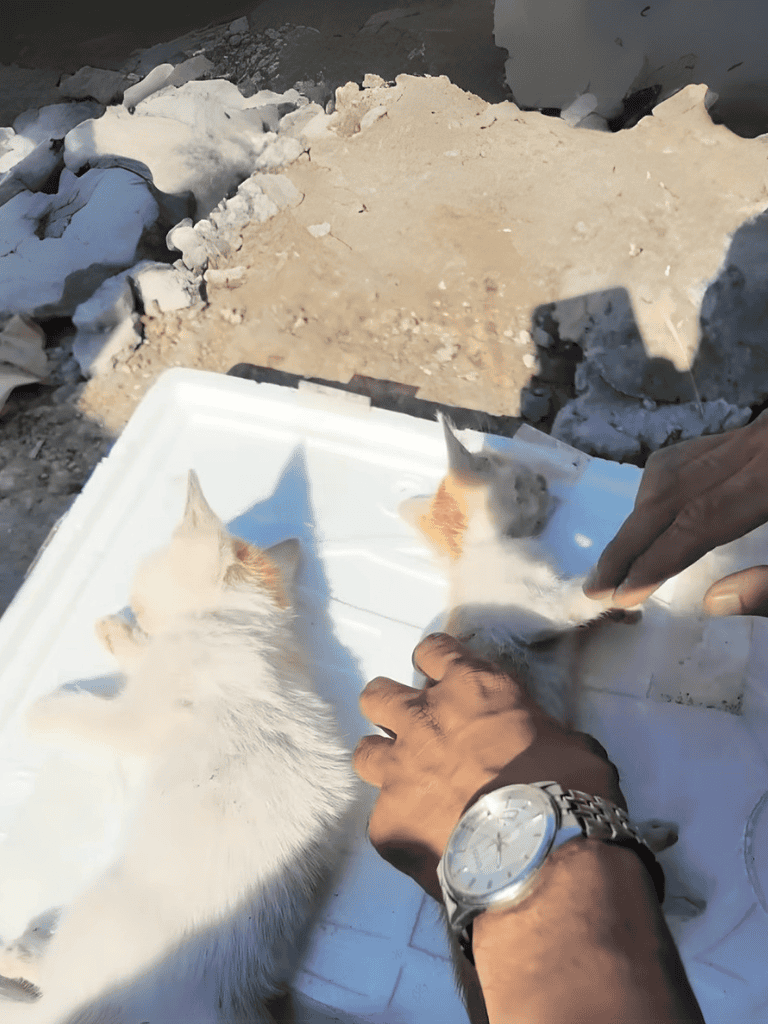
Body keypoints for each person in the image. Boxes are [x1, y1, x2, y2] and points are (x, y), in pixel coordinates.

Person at [353, 412, 768, 1023]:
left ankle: (604, 856)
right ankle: (604, 854)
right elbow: (555, 608)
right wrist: (606, 591)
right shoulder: (495, 577)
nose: (539, 496)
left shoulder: (476, 588)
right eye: (521, 488)